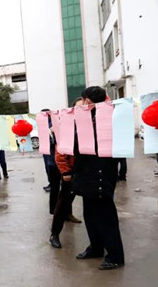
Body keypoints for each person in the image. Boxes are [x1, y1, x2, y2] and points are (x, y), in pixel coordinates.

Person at [72, 87, 125, 270]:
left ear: (88, 101)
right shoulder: (88, 118)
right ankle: (96, 248)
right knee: (90, 214)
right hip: (87, 173)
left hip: (101, 174)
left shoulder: (106, 119)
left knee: (105, 216)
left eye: (83, 100)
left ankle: (115, 256)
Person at [48, 99, 83, 249]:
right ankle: (54, 234)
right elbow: (60, 153)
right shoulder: (68, 126)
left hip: (87, 171)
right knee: (63, 202)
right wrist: (66, 171)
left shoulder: (92, 124)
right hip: (71, 172)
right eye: (79, 107)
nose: (83, 109)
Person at [42, 108, 62, 213]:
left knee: (59, 187)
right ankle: (54, 209)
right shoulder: (44, 125)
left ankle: (58, 210)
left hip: (56, 159)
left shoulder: (53, 125)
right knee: (54, 185)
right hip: (49, 156)